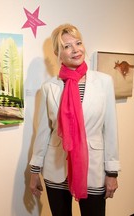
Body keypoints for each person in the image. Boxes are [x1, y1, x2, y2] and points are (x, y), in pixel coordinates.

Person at [29, 24, 120, 216]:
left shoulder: (104, 82)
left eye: (78, 43)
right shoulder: (49, 87)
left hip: (92, 168)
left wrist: (112, 173)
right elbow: (44, 131)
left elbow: (110, 130)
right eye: (67, 46)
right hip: (56, 168)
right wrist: (34, 170)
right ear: (58, 53)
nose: (75, 49)